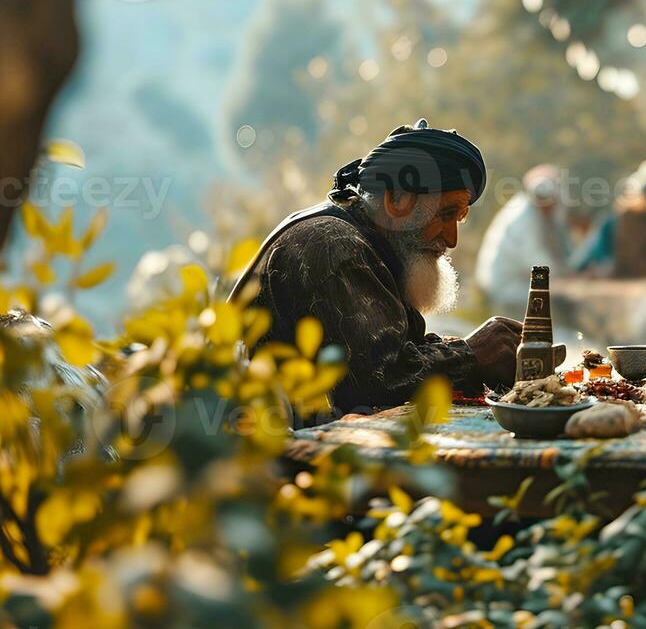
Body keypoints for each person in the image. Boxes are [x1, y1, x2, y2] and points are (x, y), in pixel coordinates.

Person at [230, 120, 523, 418]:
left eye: (458, 218)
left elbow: (392, 352)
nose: (452, 238)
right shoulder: (332, 243)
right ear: (396, 202)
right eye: (446, 214)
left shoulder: (371, 245)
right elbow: (373, 381)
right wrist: (471, 355)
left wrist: (487, 351)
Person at [474, 165, 572, 314]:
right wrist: (568, 274)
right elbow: (536, 262)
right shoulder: (524, 218)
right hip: (509, 289)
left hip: (513, 285)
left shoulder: (526, 210)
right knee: (562, 307)